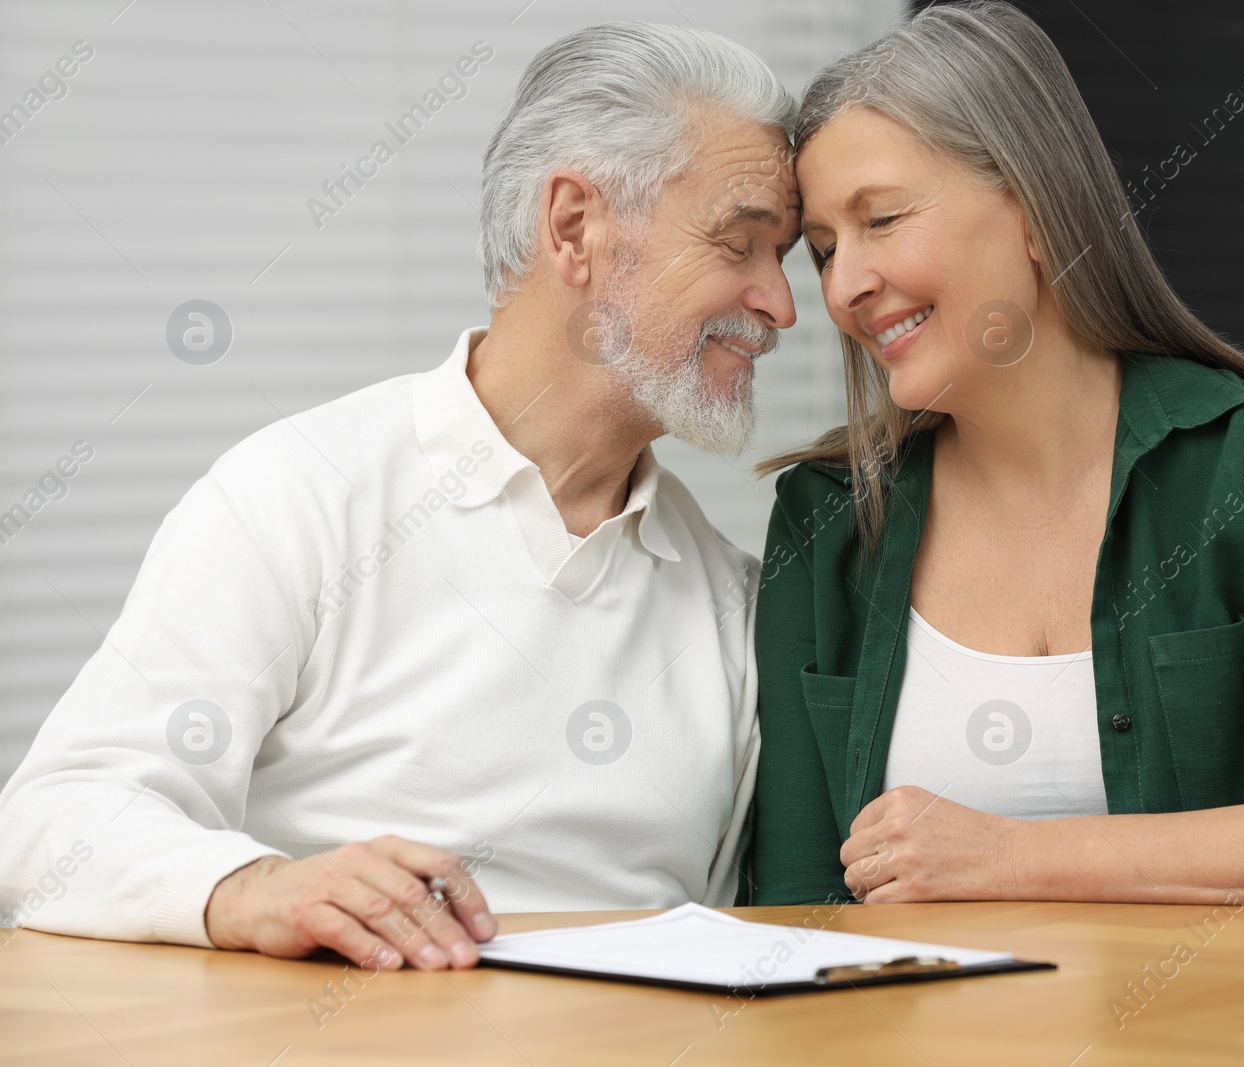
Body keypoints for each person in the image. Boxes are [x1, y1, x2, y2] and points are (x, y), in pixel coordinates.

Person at [0, 22, 800, 969]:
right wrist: (254, 888)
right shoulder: (300, 499)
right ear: (574, 228)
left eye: (783, 258)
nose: (781, 306)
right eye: (740, 244)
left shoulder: (731, 602)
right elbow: (50, 823)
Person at [747, 1, 1244, 908]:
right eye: (827, 249)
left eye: (883, 221)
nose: (844, 287)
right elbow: (793, 922)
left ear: (1034, 208)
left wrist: (1013, 859)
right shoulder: (828, 517)